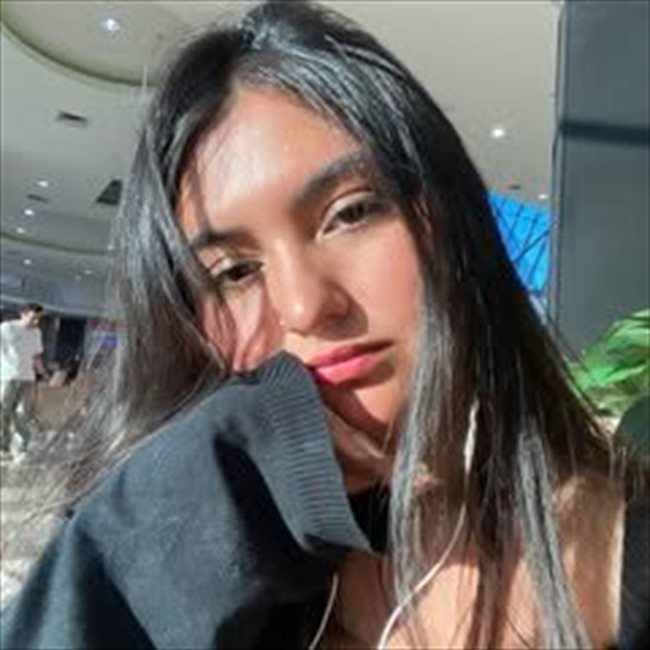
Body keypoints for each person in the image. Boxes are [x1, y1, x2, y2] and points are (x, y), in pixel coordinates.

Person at [1, 2, 648, 648]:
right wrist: (197, 501)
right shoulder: (185, 568)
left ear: (448, 224)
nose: (305, 306)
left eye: (350, 214)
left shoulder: (618, 561)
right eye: (234, 272)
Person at [0, 303, 47, 457]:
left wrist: (43, 373)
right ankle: (3, 447)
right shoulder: (7, 328)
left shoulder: (36, 333)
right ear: (23, 314)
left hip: (28, 378)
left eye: (39, 319)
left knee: (22, 413)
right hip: (8, 376)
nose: (36, 322)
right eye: (33, 318)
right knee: (4, 412)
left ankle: (23, 445)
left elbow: (36, 356)